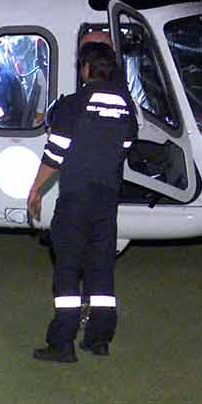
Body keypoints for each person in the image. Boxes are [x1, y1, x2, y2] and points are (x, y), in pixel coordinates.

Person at [25, 42, 138, 363]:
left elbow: (55, 154)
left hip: (76, 198)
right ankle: (99, 339)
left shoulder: (74, 104)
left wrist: (35, 190)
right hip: (106, 199)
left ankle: (62, 343)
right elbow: (127, 145)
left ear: (86, 68)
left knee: (68, 269)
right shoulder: (126, 106)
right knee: (101, 269)